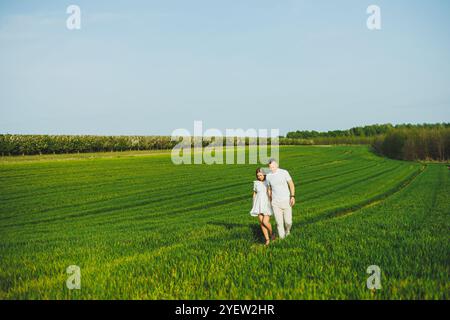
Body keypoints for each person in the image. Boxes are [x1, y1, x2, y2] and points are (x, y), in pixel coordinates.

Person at [266, 159, 295, 239]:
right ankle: (282, 240)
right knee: (279, 223)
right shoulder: (268, 176)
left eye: (273, 167)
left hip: (286, 201)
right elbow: (269, 189)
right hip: (275, 203)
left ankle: (287, 230)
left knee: (288, 222)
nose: (272, 169)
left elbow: (291, 185)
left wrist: (292, 196)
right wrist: (270, 200)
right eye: (270, 167)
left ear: (277, 165)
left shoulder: (284, 172)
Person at [250, 168, 274, 246]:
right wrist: (253, 204)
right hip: (258, 204)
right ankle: (267, 240)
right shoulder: (256, 183)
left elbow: (270, 193)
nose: (259, 177)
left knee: (265, 222)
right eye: (258, 175)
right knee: (261, 223)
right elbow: (254, 194)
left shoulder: (268, 182)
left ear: (264, 174)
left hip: (267, 204)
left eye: (261, 175)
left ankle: (272, 235)